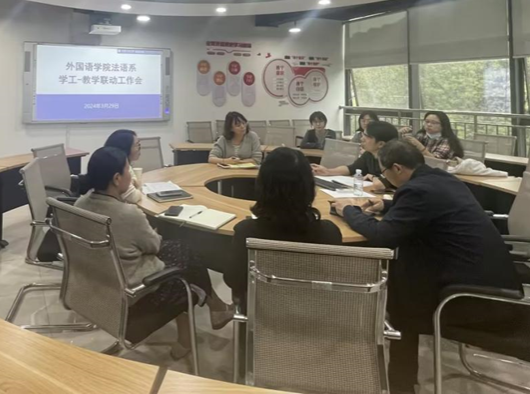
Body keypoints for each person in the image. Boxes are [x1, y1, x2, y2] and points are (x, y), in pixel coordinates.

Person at [332, 140, 520, 394]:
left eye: (384, 172)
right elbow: (428, 209)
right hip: (489, 276)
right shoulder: (441, 178)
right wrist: (386, 205)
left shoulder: (416, 190)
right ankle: (402, 379)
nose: (384, 177)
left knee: (402, 294)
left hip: (471, 297)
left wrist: (348, 210)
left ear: (397, 168)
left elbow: (383, 236)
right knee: (403, 275)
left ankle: (401, 385)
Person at [75, 147, 233, 359]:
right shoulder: (127, 214)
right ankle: (213, 310)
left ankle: (212, 312)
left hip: (97, 283)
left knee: (183, 250)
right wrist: (150, 232)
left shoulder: (80, 203)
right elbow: (154, 245)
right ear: (116, 178)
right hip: (134, 292)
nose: (131, 175)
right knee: (186, 267)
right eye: (128, 170)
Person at [224, 148, 342, 304]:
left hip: (262, 313)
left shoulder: (247, 232)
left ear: (262, 185)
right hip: (316, 312)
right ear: (309, 186)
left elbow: (233, 280)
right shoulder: (329, 232)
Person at [311, 121, 398, 191]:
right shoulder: (369, 154)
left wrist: (372, 177)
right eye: (363, 134)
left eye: (366, 136)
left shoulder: (393, 159)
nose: (362, 138)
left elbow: (380, 185)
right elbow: (350, 169)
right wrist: (328, 171)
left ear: (381, 144)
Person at [399, 110, 464, 160]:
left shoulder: (447, 141)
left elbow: (435, 161)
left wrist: (419, 146)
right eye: (427, 122)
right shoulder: (421, 135)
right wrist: (401, 135)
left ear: (443, 125)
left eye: (434, 123)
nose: (429, 125)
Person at [104, 129, 143, 203]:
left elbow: (134, 180)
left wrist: (134, 183)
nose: (139, 148)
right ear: (125, 148)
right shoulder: (118, 167)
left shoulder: (109, 161)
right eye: (137, 145)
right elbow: (133, 197)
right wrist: (138, 187)